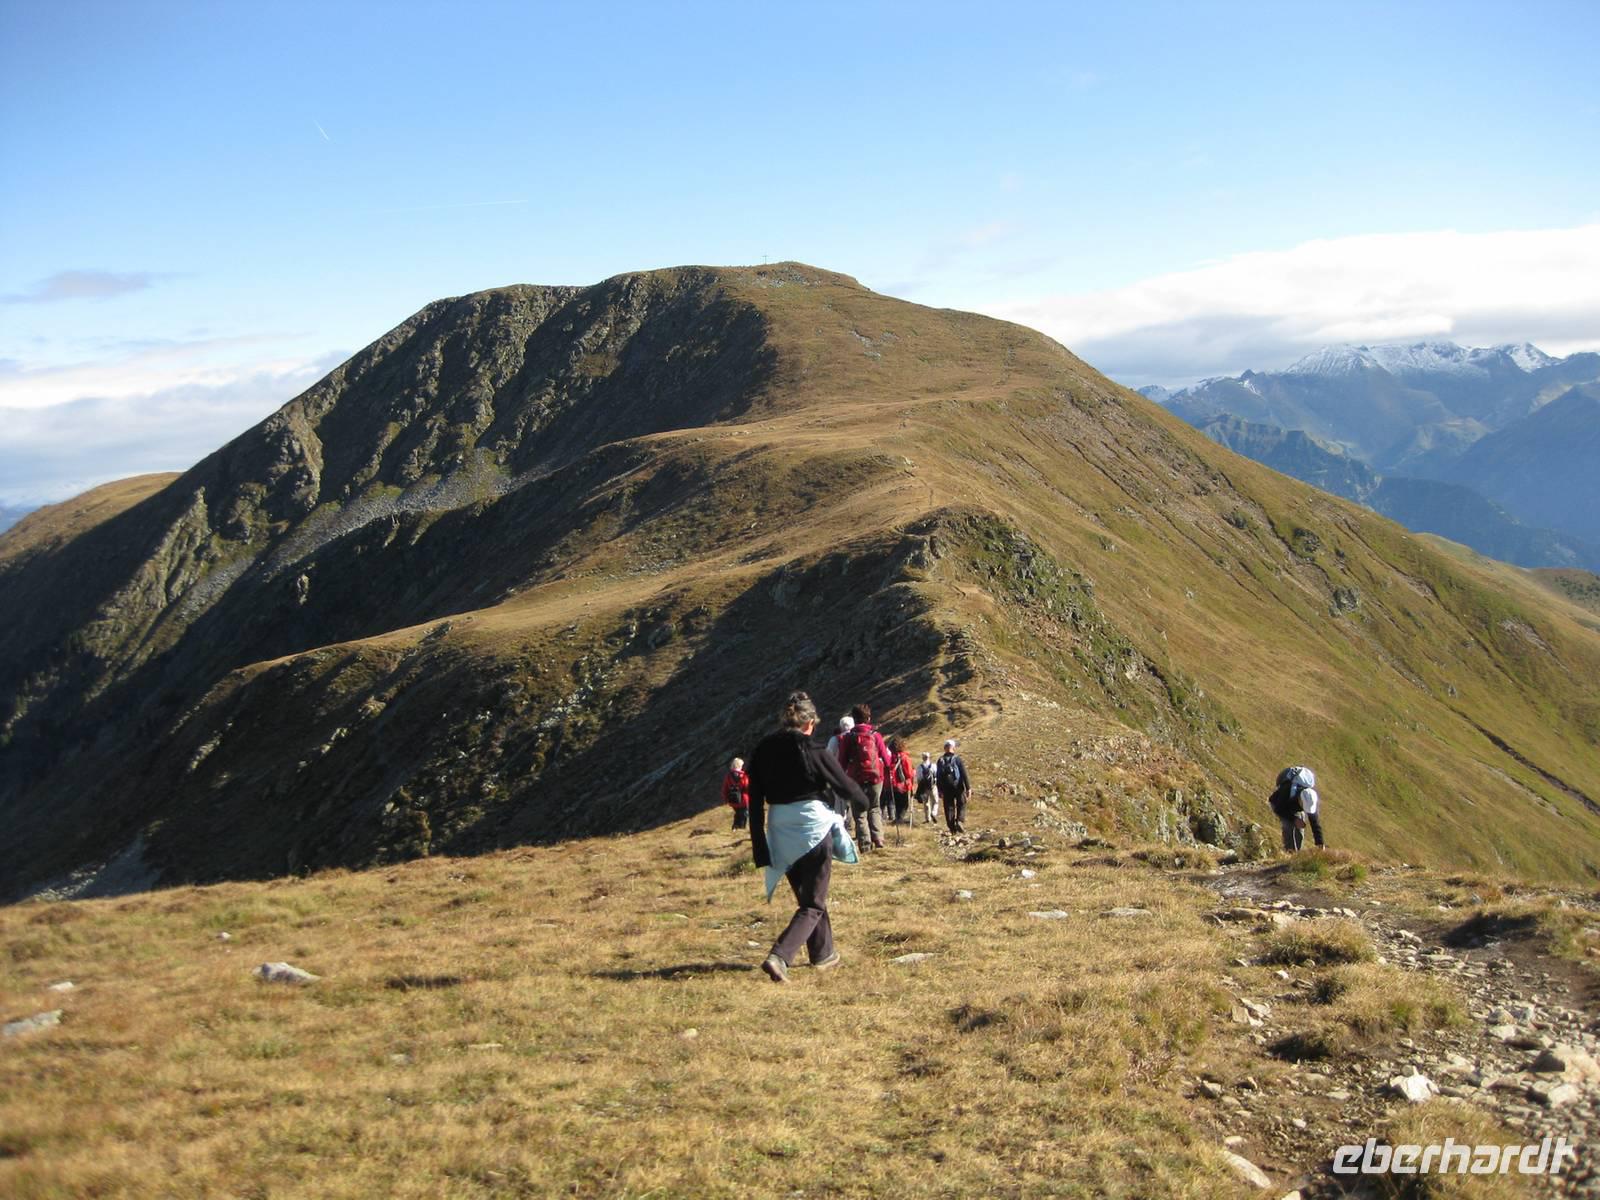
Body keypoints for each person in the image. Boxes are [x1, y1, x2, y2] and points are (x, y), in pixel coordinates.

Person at [747, 691, 865, 983]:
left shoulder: (762, 750)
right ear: (810, 722)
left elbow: (754, 801)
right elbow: (845, 787)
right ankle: (780, 956)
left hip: (779, 829)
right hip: (812, 828)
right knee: (812, 903)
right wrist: (865, 804)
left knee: (809, 896)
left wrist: (759, 846)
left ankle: (823, 954)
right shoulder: (812, 750)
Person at [837, 703, 893, 850]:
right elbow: (887, 760)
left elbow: (841, 761)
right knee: (874, 808)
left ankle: (865, 844)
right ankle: (879, 838)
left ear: (854, 719)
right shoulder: (876, 736)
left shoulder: (848, 738)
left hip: (856, 779)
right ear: (868, 718)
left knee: (860, 812)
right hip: (875, 778)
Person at [1270, 765, 1325, 851]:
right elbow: (1278, 808)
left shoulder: (1310, 800)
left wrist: (1320, 843)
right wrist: (1294, 819)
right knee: (1289, 827)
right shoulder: (1287, 790)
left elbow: (1315, 824)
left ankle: (1297, 854)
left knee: (1299, 832)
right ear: (1300, 800)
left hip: (1293, 806)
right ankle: (1289, 854)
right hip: (1280, 804)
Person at [936, 739, 970, 834]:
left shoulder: (940, 760)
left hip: (946, 788)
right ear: (953, 747)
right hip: (958, 786)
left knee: (949, 808)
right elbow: (964, 774)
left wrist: (939, 790)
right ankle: (959, 821)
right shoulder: (957, 759)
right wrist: (968, 788)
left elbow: (938, 776)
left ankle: (952, 829)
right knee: (962, 803)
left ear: (945, 748)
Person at [824, 715, 855, 820]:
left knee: (839, 801)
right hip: (855, 773)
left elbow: (827, 757)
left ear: (841, 726)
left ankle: (841, 825)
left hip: (839, 773)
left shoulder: (835, 740)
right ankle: (854, 824)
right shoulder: (858, 737)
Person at [886, 734, 914, 826]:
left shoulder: (890, 758)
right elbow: (909, 774)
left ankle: (897, 821)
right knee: (904, 805)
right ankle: (899, 821)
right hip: (903, 786)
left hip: (891, 785)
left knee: (897, 805)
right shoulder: (904, 757)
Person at [722, 756, 750, 830]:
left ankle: (735, 828)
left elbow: (725, 788)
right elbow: (747, 787)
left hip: (732, 800)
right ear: (739, 765)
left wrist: (725, 799)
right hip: (743, 800)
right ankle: (740, 829)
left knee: (738, 813)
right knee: (744, 815)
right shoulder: (744, 775)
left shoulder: (728, 776)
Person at [915, 751, 939, 824]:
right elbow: (936, 775)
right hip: (933, 786)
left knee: (926, 803)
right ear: (929, 757)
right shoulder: (933, 766)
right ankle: (934, 813)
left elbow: (919, 778)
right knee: (935, 801)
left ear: (922, 758)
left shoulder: (919, 767)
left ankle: (927, 818)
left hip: (924, 788)